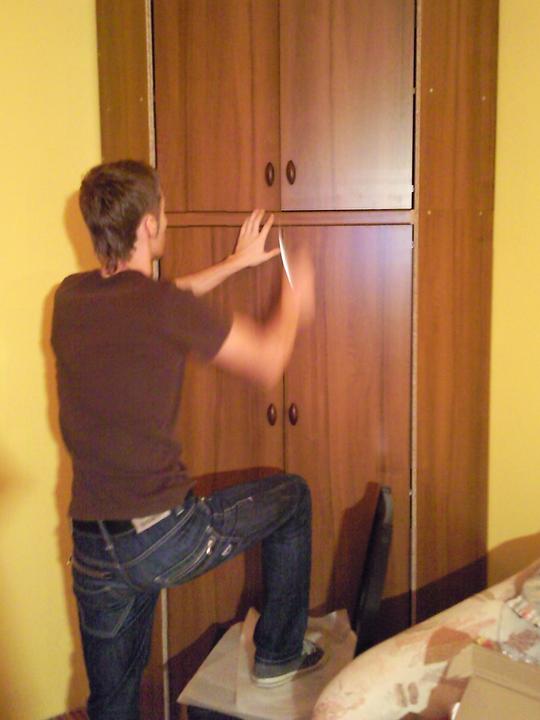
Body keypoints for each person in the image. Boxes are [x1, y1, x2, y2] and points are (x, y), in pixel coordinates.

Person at [51, 159, 324, 720]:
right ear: (150, 224)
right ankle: (278, 654)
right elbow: (268, 359)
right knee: (293, 498)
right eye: (165, 212)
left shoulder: (71, 299)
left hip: (92, 547)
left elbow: (160, 301)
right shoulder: (162, 307)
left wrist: (234, 264)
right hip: (161, 537)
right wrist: (299, 296)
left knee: (112, 704)